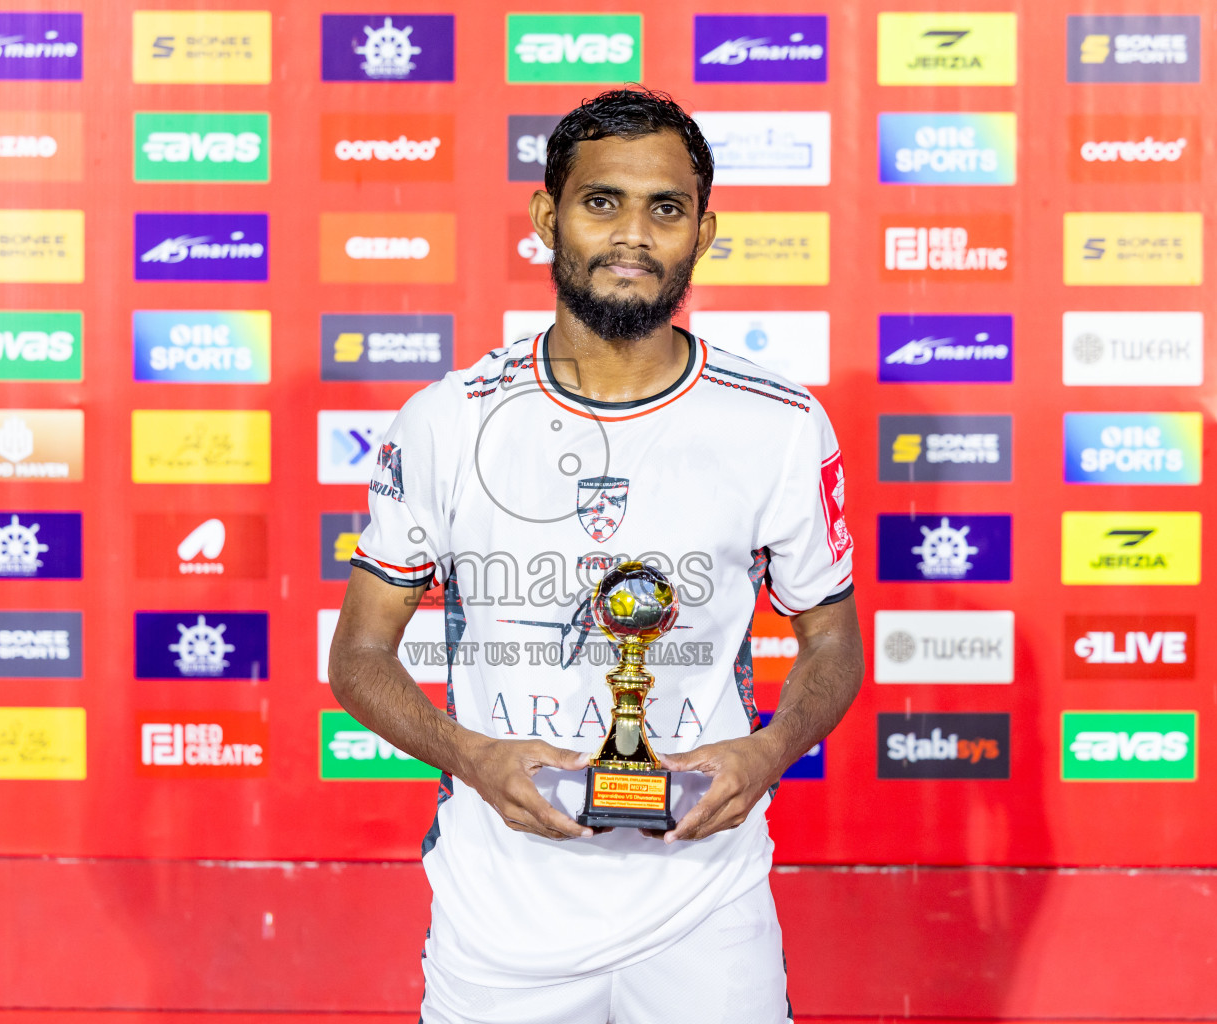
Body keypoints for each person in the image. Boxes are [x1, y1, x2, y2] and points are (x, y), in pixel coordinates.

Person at [328, 86, 864, 1023]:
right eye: (601, 201)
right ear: (548, 217)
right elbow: (359, 656)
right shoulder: (450, 421)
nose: (633, 236)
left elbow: (834, 644)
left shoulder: (777, 424)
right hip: (501, 915)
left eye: (666, 208)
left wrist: (769, 749)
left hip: (707, 905)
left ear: (703, 230)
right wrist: (473, 757)